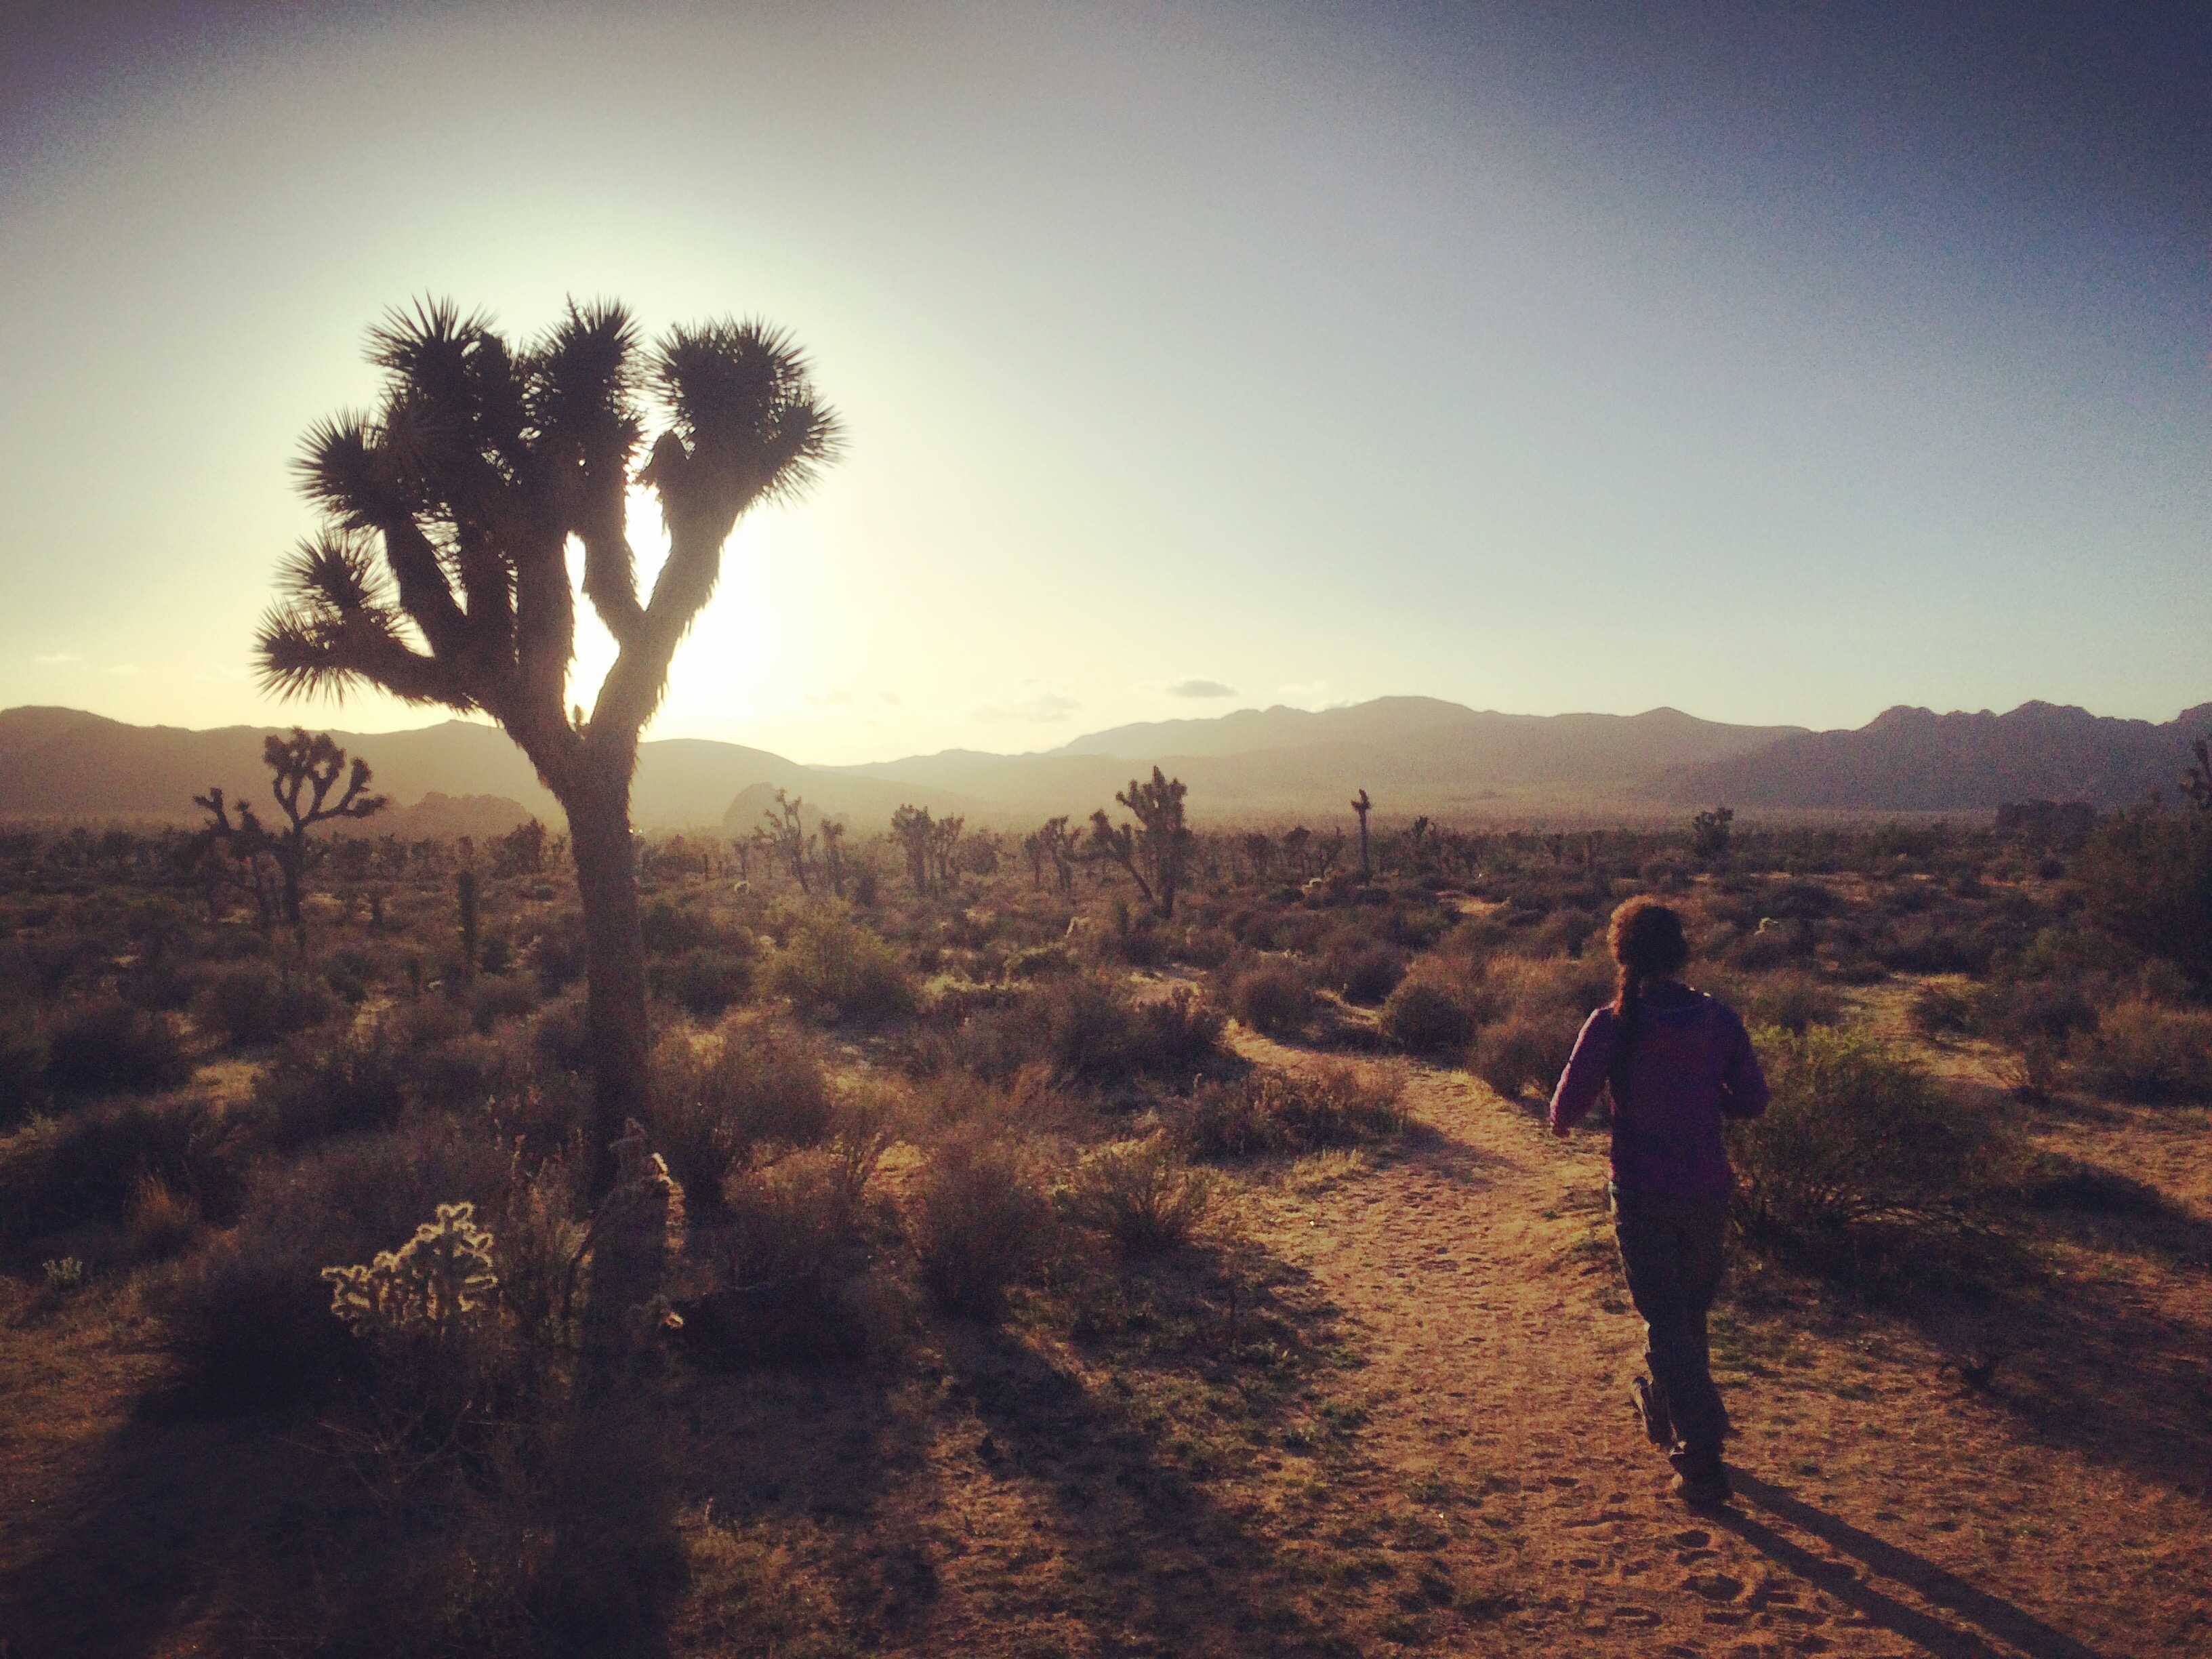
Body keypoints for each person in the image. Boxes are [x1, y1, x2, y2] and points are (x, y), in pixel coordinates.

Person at [1549, 897, 1768, 1506]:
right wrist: (1700, 1099)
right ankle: (1669, 1416)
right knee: (1686, 1316)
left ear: (1622, 953)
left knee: (1667, 1320)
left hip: (1642, 1193)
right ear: (1680, 951)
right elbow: (1754, 1100)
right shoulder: (1717, 1020)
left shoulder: (1613, 1022)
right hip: (1707, 1192)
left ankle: (1702, 1455)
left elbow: (1563, 1114)